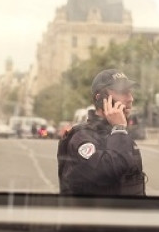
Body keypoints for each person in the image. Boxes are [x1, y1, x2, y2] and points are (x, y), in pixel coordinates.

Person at [57, 68, 146, 196]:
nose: (130, 98)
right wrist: (119, 129)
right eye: (123, 92)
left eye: (130, 92)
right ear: (101, 98)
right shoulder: (81, 138)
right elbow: (109, 171)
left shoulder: (118, 133)